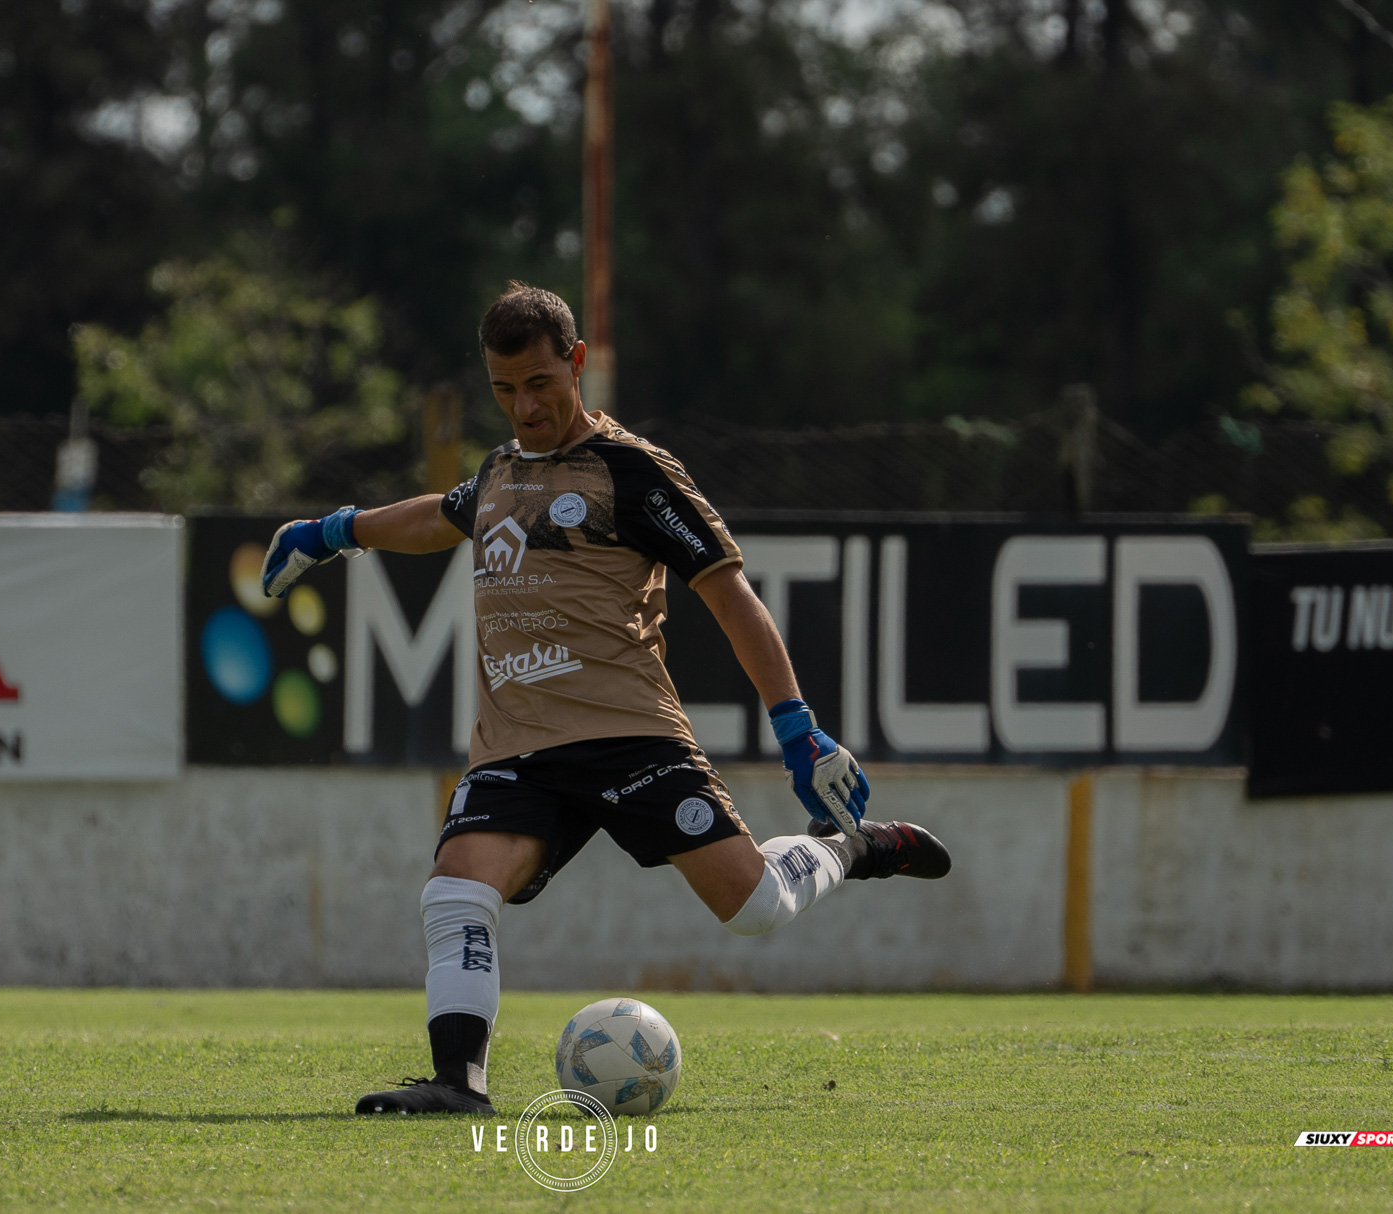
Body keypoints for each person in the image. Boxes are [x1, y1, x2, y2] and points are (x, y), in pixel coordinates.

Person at [261, 283, 951, 1116]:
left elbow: (729, 594)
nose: (525, 407)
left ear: (577, 362)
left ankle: (854, 849)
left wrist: (796, 726)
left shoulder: (634, 471)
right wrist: (335, 531)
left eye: (540, 383)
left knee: (756, 908)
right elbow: (437, 519)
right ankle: (458, 1083)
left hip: (628, 735)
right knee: (454, 890)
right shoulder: (500, 473)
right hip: (517, 747)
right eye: (505, 390)